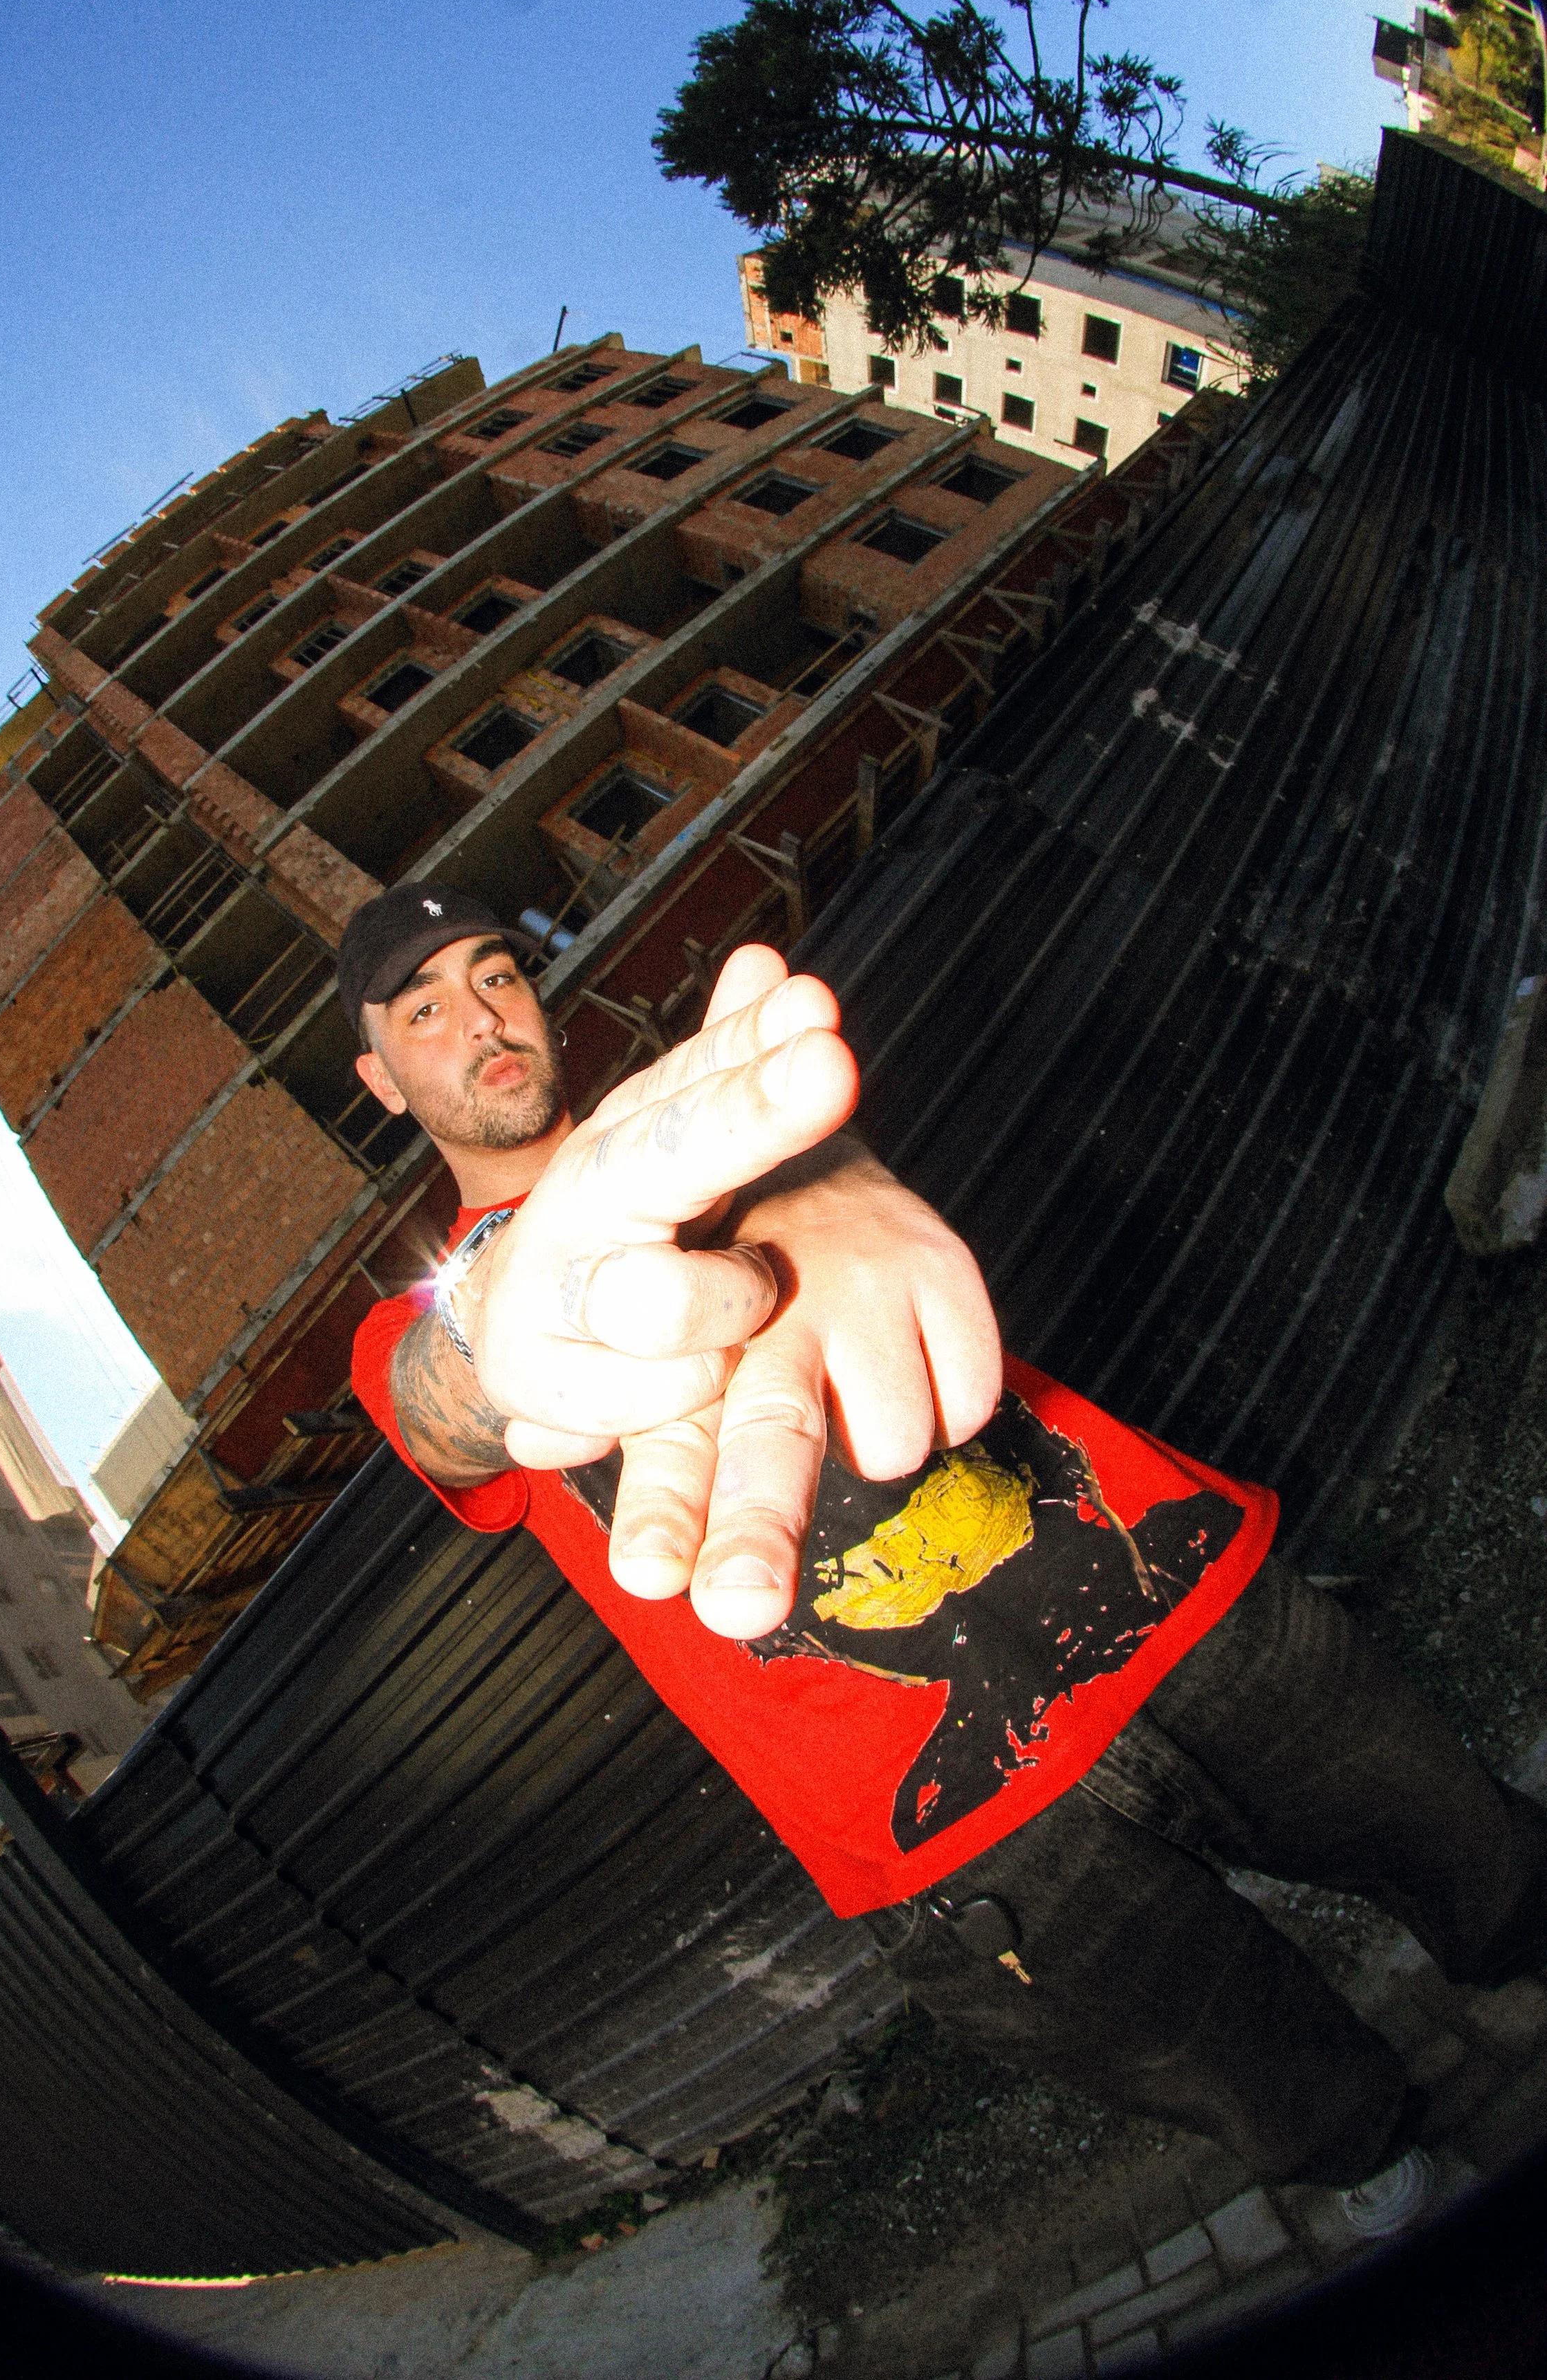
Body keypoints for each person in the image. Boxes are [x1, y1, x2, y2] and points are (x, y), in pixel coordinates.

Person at [342, 880, 1547, 2229]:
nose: (478, 1018)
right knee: (1285, 2091)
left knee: (1493, 1872)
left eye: (495, 972)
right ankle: (1383, 2175)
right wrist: (493, 1314)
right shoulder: (404, 1327)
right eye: (424, 1009)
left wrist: (825, 1169)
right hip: (960, 1831)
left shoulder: (719, 1130)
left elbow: (802, 1139)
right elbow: (433, 1404)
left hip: (1185, 1616)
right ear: (378, 1076)